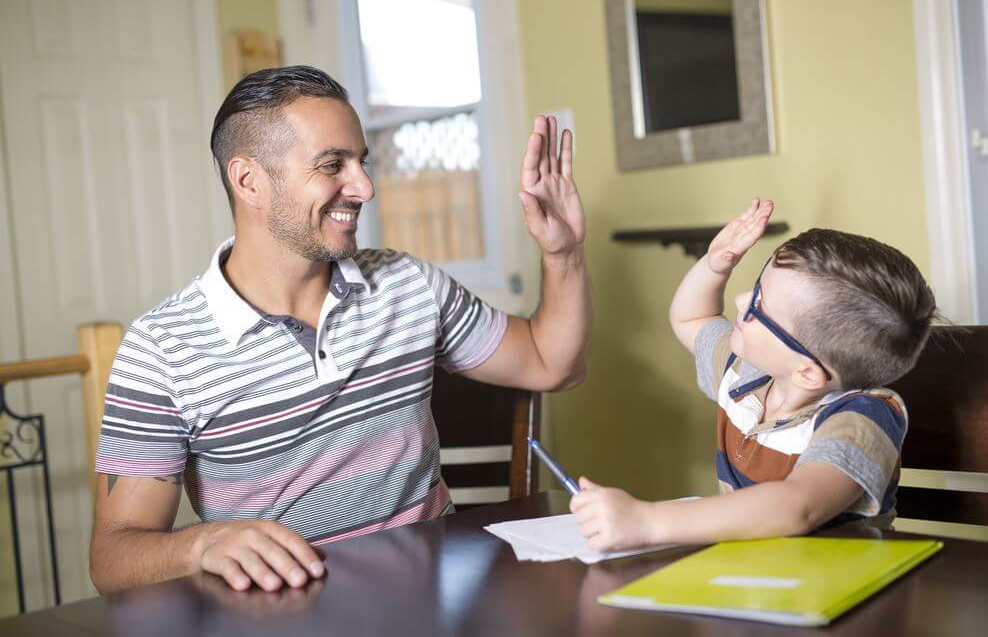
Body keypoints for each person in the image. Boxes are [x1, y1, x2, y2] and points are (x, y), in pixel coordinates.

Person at [89, 66, 591, 593]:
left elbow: (552, 363)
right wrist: (203, 543)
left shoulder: (408, 283)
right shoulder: (161, 349)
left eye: (362, 162)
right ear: (248, 181)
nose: (365, 187)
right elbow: (113, 558)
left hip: (436, 607)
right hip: (286, 620)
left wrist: (563, 252)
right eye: (333, 164)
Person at [571, 198, 936, 551]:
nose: (741, 300)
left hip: (838, 587)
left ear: (808, 373)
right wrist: (715, 267)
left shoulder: (862, 418)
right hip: (754, 576)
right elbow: (691, 319)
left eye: (760, 306)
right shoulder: (745, 377)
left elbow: (797, 506)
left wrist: (647, 521)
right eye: (758, 286)